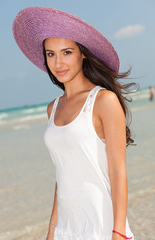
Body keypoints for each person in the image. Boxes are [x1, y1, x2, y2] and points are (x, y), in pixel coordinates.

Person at [13, 7, 138, 240]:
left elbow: (118, 172)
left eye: (67, 52)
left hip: (101, 224)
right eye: (51, 54)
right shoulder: (53, 109)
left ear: (83, 54)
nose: (58, 62)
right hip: (66, 228)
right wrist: (51, 230)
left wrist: (118, 231)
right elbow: (62, 175)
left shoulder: (103, 101)